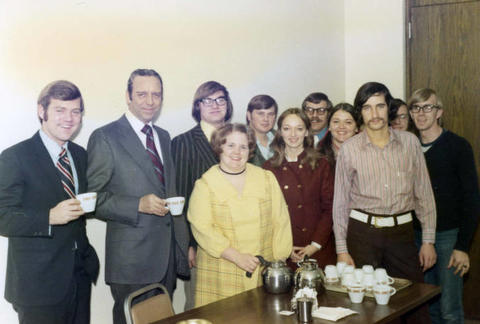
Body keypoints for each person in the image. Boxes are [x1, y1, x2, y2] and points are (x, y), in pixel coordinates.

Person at [87, 69, 189, 324]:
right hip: (131, 261)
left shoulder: (163, 136)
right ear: (128, 96)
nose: (150, 101)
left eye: (156, 95)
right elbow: (92, 199)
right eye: (142, 94)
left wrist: (182, 245)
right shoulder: (105, 137)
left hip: (166, 257)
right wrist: (137, 205)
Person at [333, 82, 436, 323]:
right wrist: (341, 249)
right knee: (364, 305)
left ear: (388, 107)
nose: (375, 113)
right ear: (361, 112)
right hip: (362, 235)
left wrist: (428, 240)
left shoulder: (410, 143)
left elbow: (424, 194)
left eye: (380, 106)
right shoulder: (349, 149)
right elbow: (340, 203)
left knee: (413, 300)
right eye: (367, 108)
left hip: (402, 233)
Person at [0, 80, 99, 324]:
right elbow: (3, 217)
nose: (69, 118)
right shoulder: (15, 157)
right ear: (41, 111)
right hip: (37, 286)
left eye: (76, 111)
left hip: (79, 276)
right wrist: (48, 217)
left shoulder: (79, 155)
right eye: (60, 110)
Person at [188, 123, 292, 307]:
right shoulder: (205, 184)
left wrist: (278, 261)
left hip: (263, 269)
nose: (237, 152)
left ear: (250, 150)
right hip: (223, 270)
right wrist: (236, 257)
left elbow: (281, 220)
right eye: (230, 145)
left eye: (243, 146)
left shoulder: (266, 178)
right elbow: (202, 228)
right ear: (219, 147)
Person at [409, 88, 480, 324]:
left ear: (439, 112)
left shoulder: (458, 146)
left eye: (428, 107)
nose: (421, 113)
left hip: (448, 237)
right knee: (427, 308)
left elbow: (471, 199)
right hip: (416, 236)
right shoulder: (408, 147)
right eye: (416, 108)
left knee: (450, 309)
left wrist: (462, 246)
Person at [171, 80, 233, 310]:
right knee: (201, 307)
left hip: (239, 240)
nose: (215, 105)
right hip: (201, 242)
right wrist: (187, 244)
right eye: (207, 100)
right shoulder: (183, 143)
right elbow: (180, 196)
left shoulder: (239, 138)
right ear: (198, 106)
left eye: (220, 100)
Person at [264, 108, 335, 269]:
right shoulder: (269, 167)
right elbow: (268, 214)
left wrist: (314, 245)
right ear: (280, 132)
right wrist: (285, 248)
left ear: (307, 132)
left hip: (318, 248)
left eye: (299, 128)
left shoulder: (321, 164)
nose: (293, 134)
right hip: (285, 250)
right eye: (287, 128)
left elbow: (330, 209)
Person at [317, 103, 359, 167]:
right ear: (329, 127)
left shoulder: (367, 154)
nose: (341, 126)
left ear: (356, 128)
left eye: (348, 122)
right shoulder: (317, 155)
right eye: (336, 121)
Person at [246, 94, 278, 166]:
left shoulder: (282, 139)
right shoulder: (240, 140)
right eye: (260, 114)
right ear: (249, 116)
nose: (266, 119)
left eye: (270, 114)